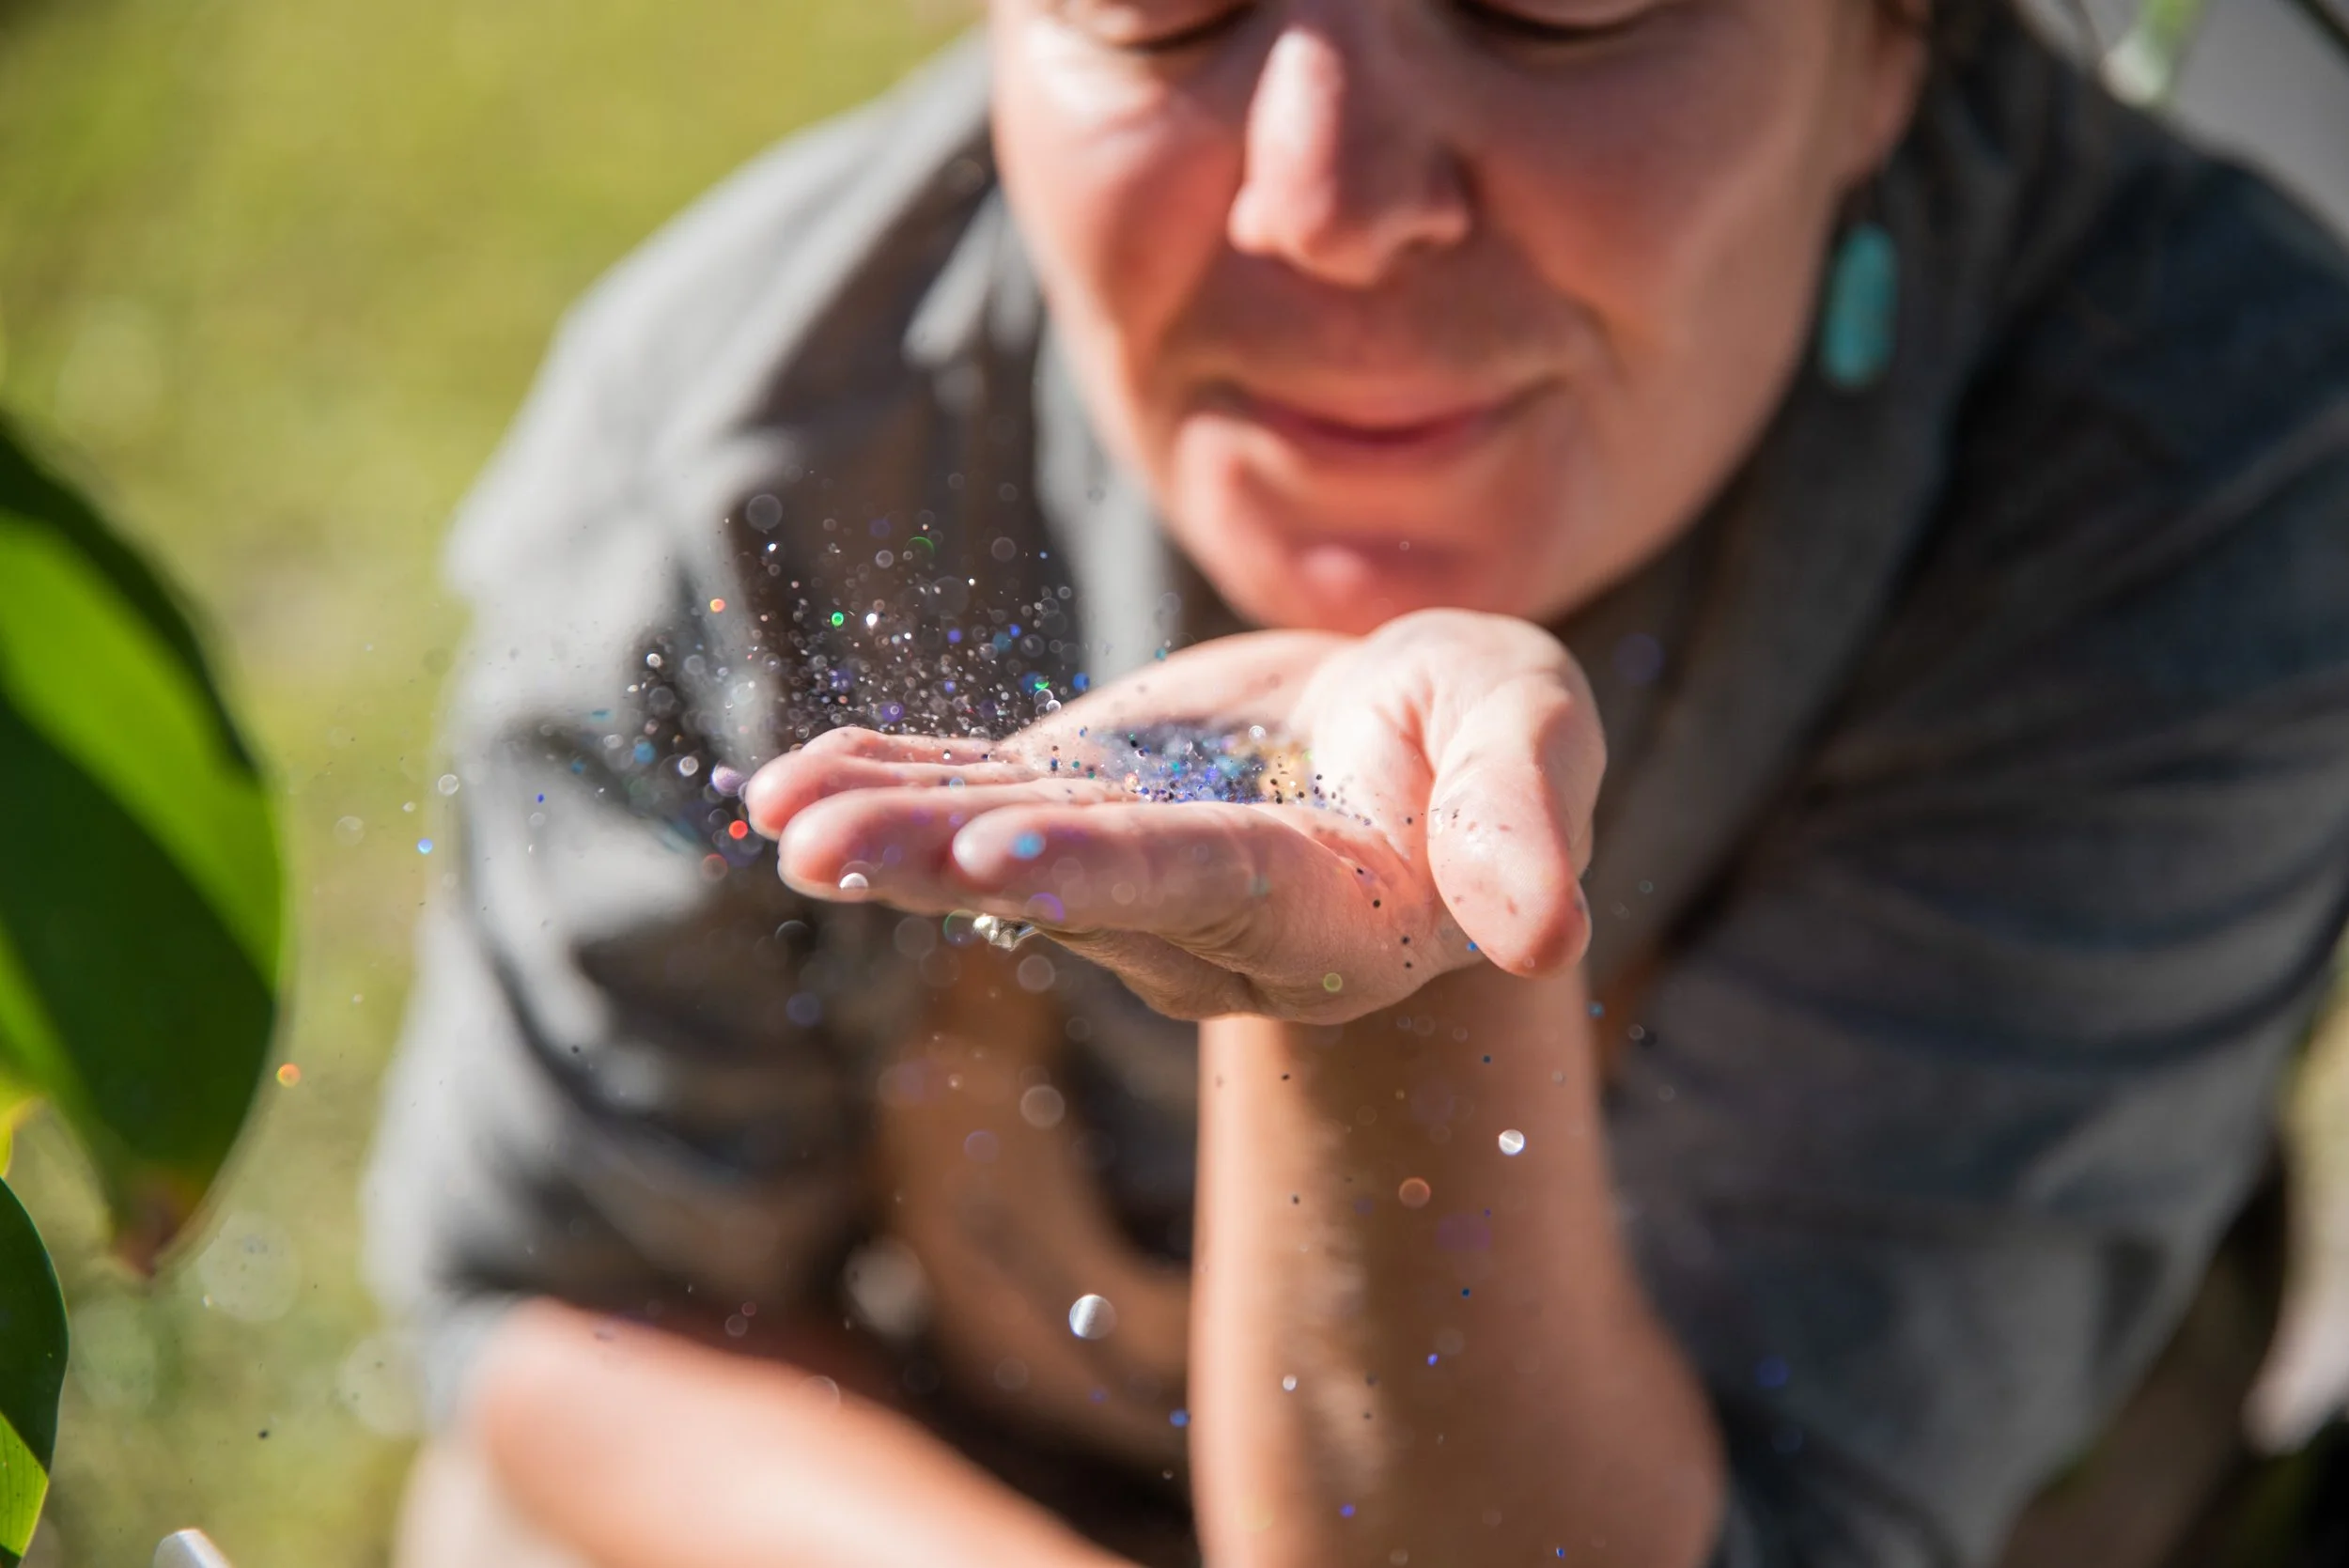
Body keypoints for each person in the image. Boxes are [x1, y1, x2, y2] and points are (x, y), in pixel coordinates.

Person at [363, 0, 2349, 1563]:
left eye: (1553, 4)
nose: (1319, 189)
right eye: (1160, 8)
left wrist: (1386, 983)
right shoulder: (754, 467)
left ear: (1887, 46)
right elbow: (559, 1311)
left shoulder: (2189, 467)